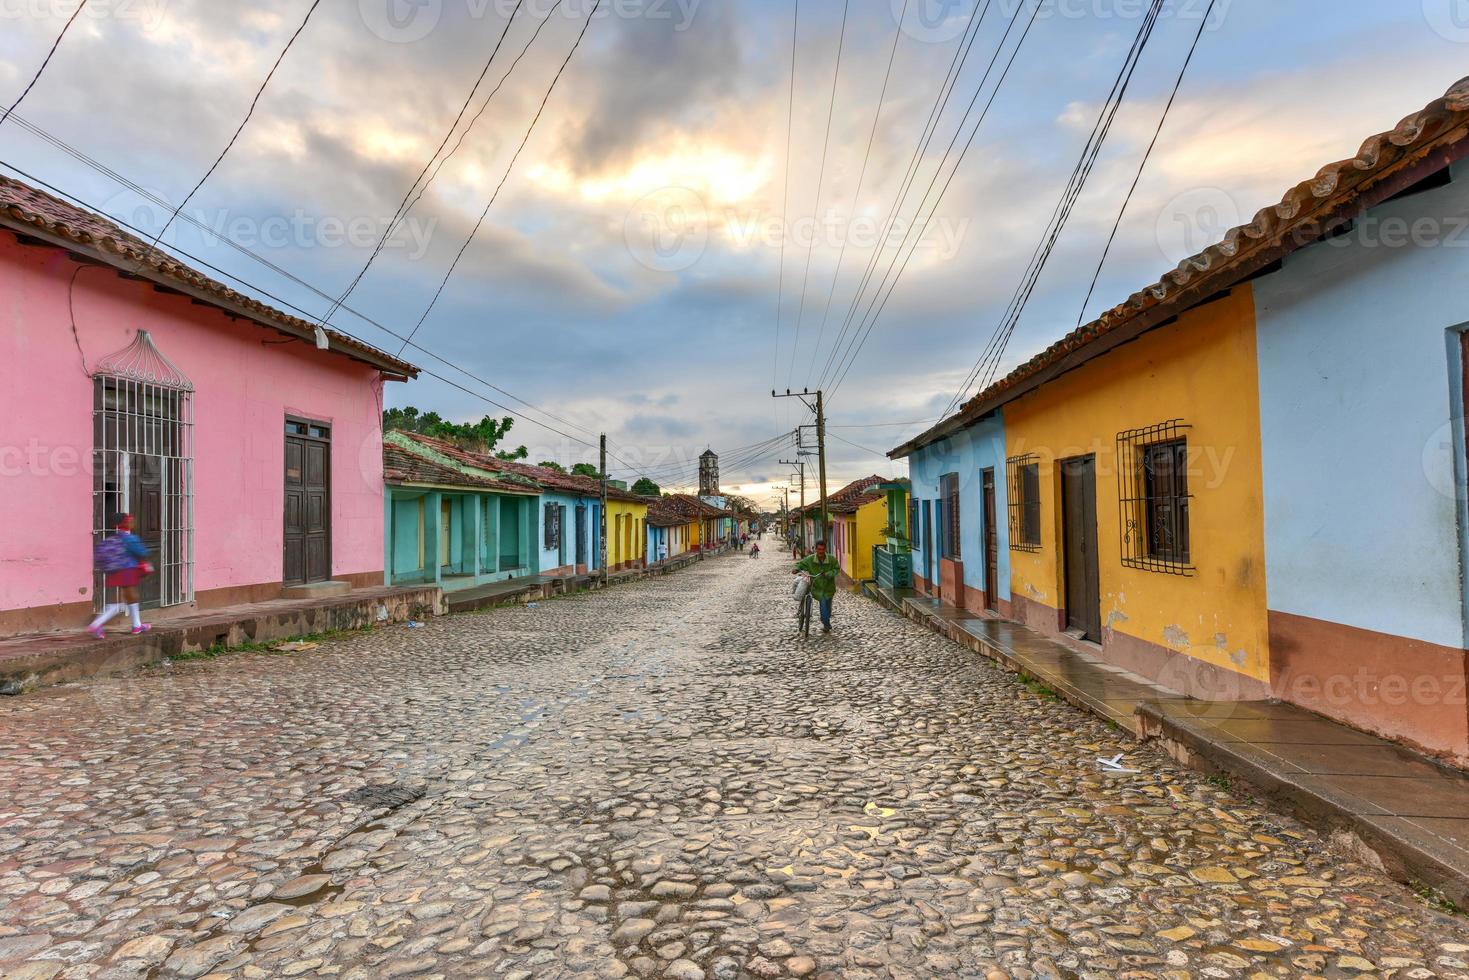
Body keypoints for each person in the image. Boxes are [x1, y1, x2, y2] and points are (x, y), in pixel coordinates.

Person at [87, 512, 152, 638]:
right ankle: (96, 624)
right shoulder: (130, 538)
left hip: (114, 571)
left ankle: (137, 625)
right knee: (125, 600)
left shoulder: (114, 538)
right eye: (131, 520)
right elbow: (142, 552)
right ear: (127, 523)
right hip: (127, 570)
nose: (133, 522)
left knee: (131, 597)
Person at [793, 540, 840, 633]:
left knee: (827, 605)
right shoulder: (810, 559)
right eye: (819, 549)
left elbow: (836, 569)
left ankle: (826, 619)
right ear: (816, 549)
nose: (821, 552)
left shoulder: (831, 559)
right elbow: (800, 564)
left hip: (828, 587)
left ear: (825, 549)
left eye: (822, 549)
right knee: (823, 603)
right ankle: (826, 623)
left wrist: (828, 574)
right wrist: (796, 569)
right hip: (816, 587)